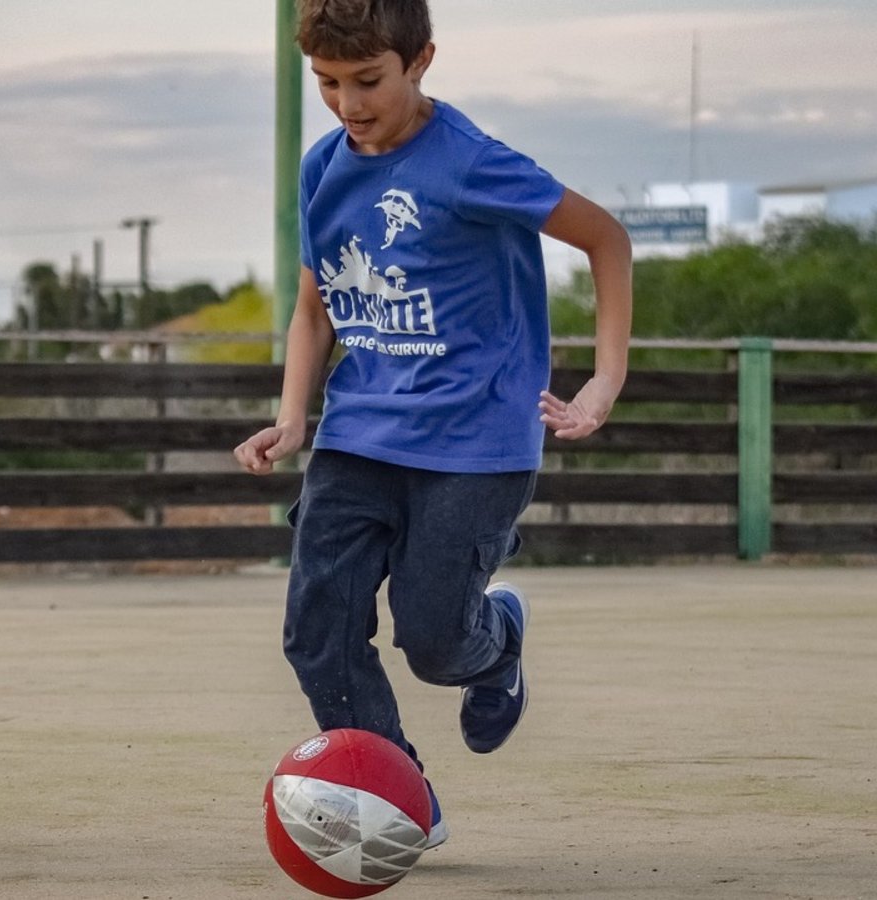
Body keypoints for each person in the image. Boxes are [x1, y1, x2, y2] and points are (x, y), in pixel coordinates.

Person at [234, 0, 632, 849]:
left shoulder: (472, 164)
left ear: (420, 62)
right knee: (318, 627)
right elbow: (315, 309)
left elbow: (606, 239)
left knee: (434, 642)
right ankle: (398, 792)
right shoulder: (324, 169)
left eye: (368, 80)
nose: (349, 104)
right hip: (358, 436)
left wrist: (604, 381)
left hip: (476, 445)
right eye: (328, 84)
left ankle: (498, 644)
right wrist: (293, 415)